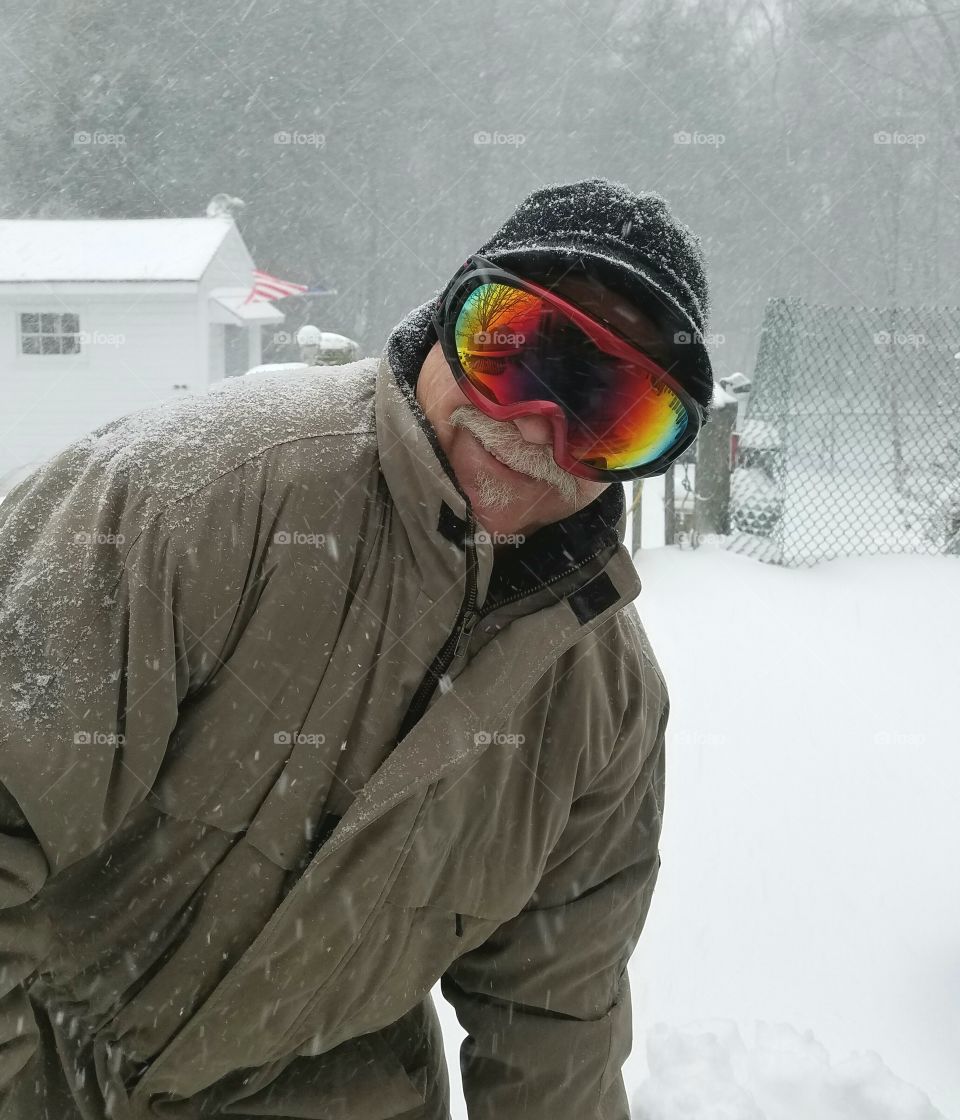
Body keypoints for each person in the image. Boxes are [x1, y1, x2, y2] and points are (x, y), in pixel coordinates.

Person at [0, 177, 714, 1120]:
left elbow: (555, 1014)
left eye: (613, 412)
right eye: (515, 352)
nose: (539, 426)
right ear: (451, 316)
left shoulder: (603, 702)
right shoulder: (196, 505)